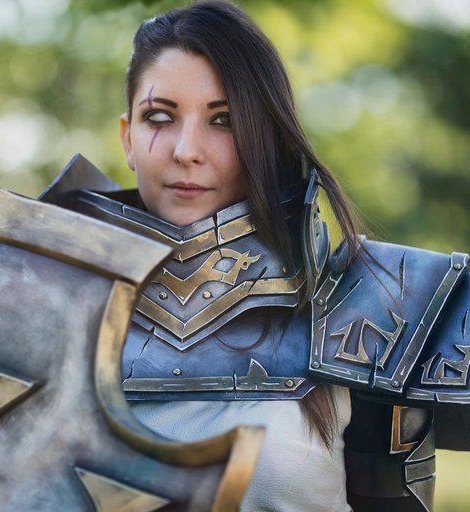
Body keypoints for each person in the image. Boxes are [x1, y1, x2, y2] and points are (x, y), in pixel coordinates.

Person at [42, 1, 470, 511]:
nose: (187, 149)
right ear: (127, 138)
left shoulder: (377, 304)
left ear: (264, 136)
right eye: (160, 116)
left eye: (223, 120)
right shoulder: (36, 299)